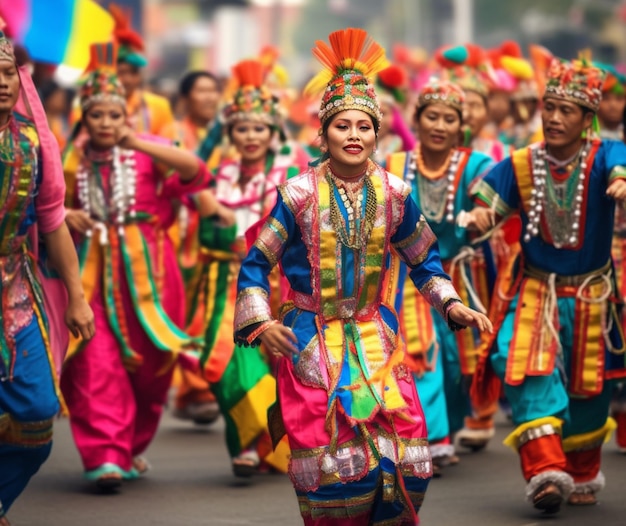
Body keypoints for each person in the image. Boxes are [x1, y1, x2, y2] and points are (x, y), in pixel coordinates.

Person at [234, 28, 492, 525]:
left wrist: (452, 304)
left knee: (409, 459)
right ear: (324, 134)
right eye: (342, 126)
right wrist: (263, 324)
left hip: (377, 333)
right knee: (332, 463)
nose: (354, 135)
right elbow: (255, 264)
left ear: (378, 133)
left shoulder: (395, 193)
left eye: (364, 126)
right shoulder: (297, 196)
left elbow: (423, 260)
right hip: (310, 338)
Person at [468, 57, 626, 514]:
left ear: (587, 119)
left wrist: (619, 182)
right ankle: (543, 472)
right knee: (520, 363)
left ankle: (577, 470)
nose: (554, 118)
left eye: (567, 110)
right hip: (536, 291)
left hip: (593, 295)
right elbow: (487, 208)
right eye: (549, 107)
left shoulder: (604, 155)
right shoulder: (521, 163)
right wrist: (481, 218)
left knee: (589, 389)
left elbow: (621, 165)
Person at [60, 43, 216, 492]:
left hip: (153, 276)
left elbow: (197, 174)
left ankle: (129, 445)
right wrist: (67, 214)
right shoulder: (70, 160)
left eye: (114, 116)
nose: (106, 124)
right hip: (91, 273)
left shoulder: (149, 151)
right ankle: (105, 455)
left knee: (152, 370)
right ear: (84, 120)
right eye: (97, 116)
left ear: (126, 117)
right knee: (93, 360)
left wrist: (137, 141)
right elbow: (48, 207)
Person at [192, 58, 307, 477]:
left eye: (259, 127)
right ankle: (251, 440)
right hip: (222, 281)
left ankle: (255, 446)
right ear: (230, 133)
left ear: (273, 131)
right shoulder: (216, 175)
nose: (251, 136)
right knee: (222, 359)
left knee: (279, 364)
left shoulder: (291, 175)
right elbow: (189, 171)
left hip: (277, 283)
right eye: (241, 128)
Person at [0, 33, 94, 525]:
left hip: (14, 288)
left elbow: (52, 219)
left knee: (37, 414)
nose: (1, 83)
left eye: (7, 73)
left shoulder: (33, 142)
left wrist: (77, 299)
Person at [387, 79, 495, 472]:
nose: (439, 125)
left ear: (460, 127)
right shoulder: (395, 165)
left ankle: (446, 424)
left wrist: (484, 212)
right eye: (431, 116)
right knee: (422, 353)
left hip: (462, 277)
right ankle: (433, 437)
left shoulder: (476, 165)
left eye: (449, 119)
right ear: (416, 120)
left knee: (457, 367)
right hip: (410, 277)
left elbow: (495, 195)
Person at [166, 70, 225, 426]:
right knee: (184, 312)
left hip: (218, 233)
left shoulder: (229, 135)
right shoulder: (174, 134)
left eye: (213, 90)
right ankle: (191, 388)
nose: (208, 97)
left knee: (208, 311)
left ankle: (196, 389)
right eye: (201, 91)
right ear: (186, 97)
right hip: (181, 231)